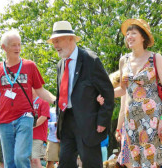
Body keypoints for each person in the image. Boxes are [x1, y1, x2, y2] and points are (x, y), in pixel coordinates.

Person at [47, 20, 114, 167]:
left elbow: (108, 92)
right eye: (53, 42)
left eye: (57, 41)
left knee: (91, 164)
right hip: (66, 123)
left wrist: (103, 120)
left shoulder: (90, 60)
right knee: (64, 163)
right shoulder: (60, 65)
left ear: (70, 38)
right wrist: (59, 119)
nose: (55, 45)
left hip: (88, 124)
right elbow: (61, 95)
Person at [0, 30, 56, 167]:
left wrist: (56, 100)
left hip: (25, 116)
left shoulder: (29, 66)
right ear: (4, 47)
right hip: (4, 120)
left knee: (20, 157)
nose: (17, 48)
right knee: (9, 162)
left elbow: (40, 90)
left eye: (19, 44)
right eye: (13, 45)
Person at [114, 18, 162, 167]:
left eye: (133, 33)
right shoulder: (123, 60)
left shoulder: (155, 57)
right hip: (130, 120)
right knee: (130, 162)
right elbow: (123, 89)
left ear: (143, 37)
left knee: (151, 162)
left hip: (152, 118)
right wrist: (101, 93)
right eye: (127, 34)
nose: (129, 37)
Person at [109, 71, 131, 168]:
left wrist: (118, 130)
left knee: (127, 160)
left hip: (129, 127)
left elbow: (122, 111)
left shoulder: (124, 89)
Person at [31, 89, 50, 168]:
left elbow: (44, 117)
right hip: (26, 136)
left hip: (38, 136)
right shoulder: (26, 101)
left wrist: (31, 126)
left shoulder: (43, 101)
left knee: (35, 159)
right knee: (29, 160)